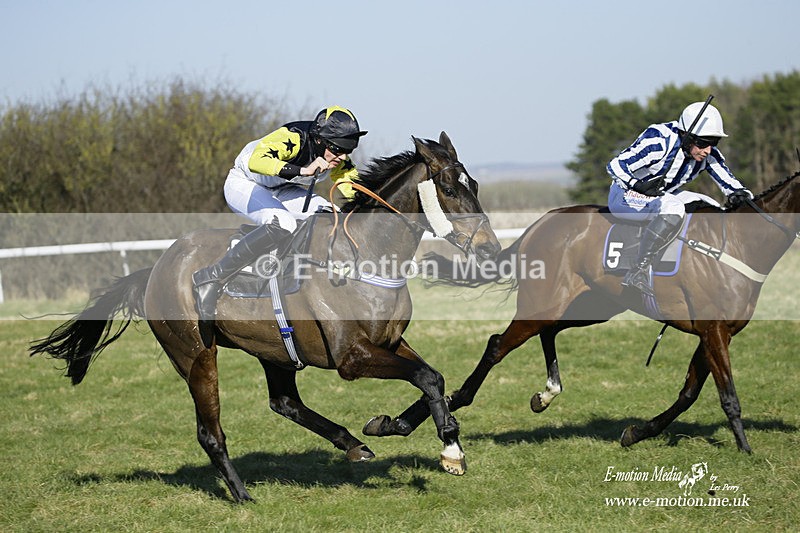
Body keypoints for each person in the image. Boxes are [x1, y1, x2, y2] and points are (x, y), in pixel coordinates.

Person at [192, 105, 367, 320]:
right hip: (244, 183)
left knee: (333, 215)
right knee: (284, 223)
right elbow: (258, 161)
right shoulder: (294, 138)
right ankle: (212, 278)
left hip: (281, 189)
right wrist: (304, 170)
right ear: (320, 140)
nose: (342, 157)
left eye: (347, 151)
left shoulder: (337, 158)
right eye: (338, 149)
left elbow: (355, 188)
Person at [607, 101, 752, 296]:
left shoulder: (707, 154)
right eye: (702, 143)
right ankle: (638, 271)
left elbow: (731, 184)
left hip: (661, 196)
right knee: (673, 207)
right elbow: (615, 165)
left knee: (710, 204)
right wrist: (637, 184)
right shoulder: (658, 142)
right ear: (686, 136)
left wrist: (741, 195)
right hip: (625, 195)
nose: (708, 150)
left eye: (713, 143)